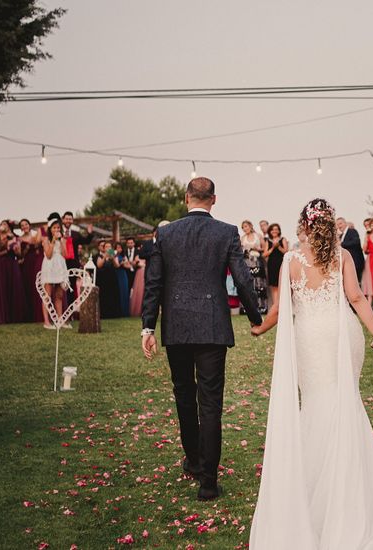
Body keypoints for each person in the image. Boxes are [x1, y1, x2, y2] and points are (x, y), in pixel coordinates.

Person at [248, 198, 373, 549]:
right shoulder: (343, 256)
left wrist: (260, 329)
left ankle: (315, 495)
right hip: (342, 335)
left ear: (303, 224)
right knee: (345, 403)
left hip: (310, 338)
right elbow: (358, 299)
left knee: (318, 404)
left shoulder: (290, 260)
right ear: (329, 224)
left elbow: (278, 309)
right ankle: (350, 495)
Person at [141, 177, 262, 501]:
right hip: (211, 327)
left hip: (177, 327)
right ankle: (208, 482)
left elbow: (153, 283)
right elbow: (242, 278)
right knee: (210, 404)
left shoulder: (165, 234)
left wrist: (148, 327)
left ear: (186, 198)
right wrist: (255, 317)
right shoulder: (225, 232)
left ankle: (194, 461)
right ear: (214, 199)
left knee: (184, 395)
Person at [40, 218, 69, 329]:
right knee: (47, 295)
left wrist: (61, 241)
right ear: (50, 229)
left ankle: (59, 320)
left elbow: (66, 255)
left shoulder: (63, 240)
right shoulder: (46, 239)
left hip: (60, 267)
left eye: (58, 227)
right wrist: (53, 240)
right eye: (54, 228)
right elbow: (48, 255)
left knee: (59, 295)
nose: (56, 229)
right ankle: (47, 322)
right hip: (50, 266)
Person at [61, 211, 92, 306]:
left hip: (73, 264)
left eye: (70, 219)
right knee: (60, 287)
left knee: (71, 287)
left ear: (72, 221)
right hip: (61, 263)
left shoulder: (76, 233)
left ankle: (70, 312)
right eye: (66, 218)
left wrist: (89, 233)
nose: (68, 221)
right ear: (63, 220)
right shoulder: (58, 232)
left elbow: (86, 241)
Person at [17, 218, 45, 323]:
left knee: (37, 286)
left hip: (36, 261)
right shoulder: (19, 239)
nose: (24, 226)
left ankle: (39, 313)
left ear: (29, 225)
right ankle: (28, 315)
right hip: (26, 263)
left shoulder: (35, 236)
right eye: (22, 225)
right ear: (20, 228)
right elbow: (19, 254)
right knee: (28, 286)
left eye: (26, 224)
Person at [240, 220, 269, 314]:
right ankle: (248, 307)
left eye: (246, 226)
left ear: (251, 226)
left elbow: (265, 248)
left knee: (259, 283)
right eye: (243, 227)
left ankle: (262, 306)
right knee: (249, 283)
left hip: (257, 261)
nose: (245, 228)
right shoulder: (242, 238)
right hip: (247, 262)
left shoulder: (258, 236)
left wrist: (257, 249)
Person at [262, 223, 288, 307]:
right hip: (272, 265)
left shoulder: (283, 239)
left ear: (279, 230)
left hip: (281, 264)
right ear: (270, 231)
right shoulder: (268, 241)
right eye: (273, 229)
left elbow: (286, 252)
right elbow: (264, 254)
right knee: (273, 287)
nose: (274, 231)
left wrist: (279, 246)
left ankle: (282, 305)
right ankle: (275, 306)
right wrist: (273, 247)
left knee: (281, 285)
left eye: (276, 229)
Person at [336, 216, 365, 284]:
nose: (339, 226)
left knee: (356, 282)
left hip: (355, 261)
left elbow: (356, 242)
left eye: (340, 223)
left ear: (345, 223)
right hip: (347, 263)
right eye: (337, 224)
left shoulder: (352, 231)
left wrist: (341, 244)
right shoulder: (341, 236)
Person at [128, 240, 147, 317]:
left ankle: (144, 310)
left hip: (145, 273)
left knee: (144, 291)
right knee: (138, 291)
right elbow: (134, 264)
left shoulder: (146, 255)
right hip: (139, 273)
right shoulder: (137, 256)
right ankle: (137, 310)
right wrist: (136, 263)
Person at [114, 242, 131, 316]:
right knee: (119, 292)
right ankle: (119, 311)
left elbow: (128, 266)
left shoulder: (124, 256)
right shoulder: (114, 256)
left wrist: (124, 263)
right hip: (116, 274)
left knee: (125, 292)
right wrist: (122, 263)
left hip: (123, 275)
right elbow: (117, 265)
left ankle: (125, 312)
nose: (119, 249)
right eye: (117, 248)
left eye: (120, 248)